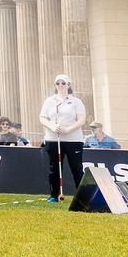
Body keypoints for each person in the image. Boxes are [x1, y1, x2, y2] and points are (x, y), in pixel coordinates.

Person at [38, 74, 87, 202]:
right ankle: (54, 195)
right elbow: (42, 117)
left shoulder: (76, 101)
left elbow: (81, 120)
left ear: (68, 85)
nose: (60, 85)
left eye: (63, 83)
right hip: (53, 139)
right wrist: (52, 126)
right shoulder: (49, 101)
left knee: (77, 168)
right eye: (58, 83)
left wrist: (67, 130)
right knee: (54, 168)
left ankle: (82, 196)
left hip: (73, 140)